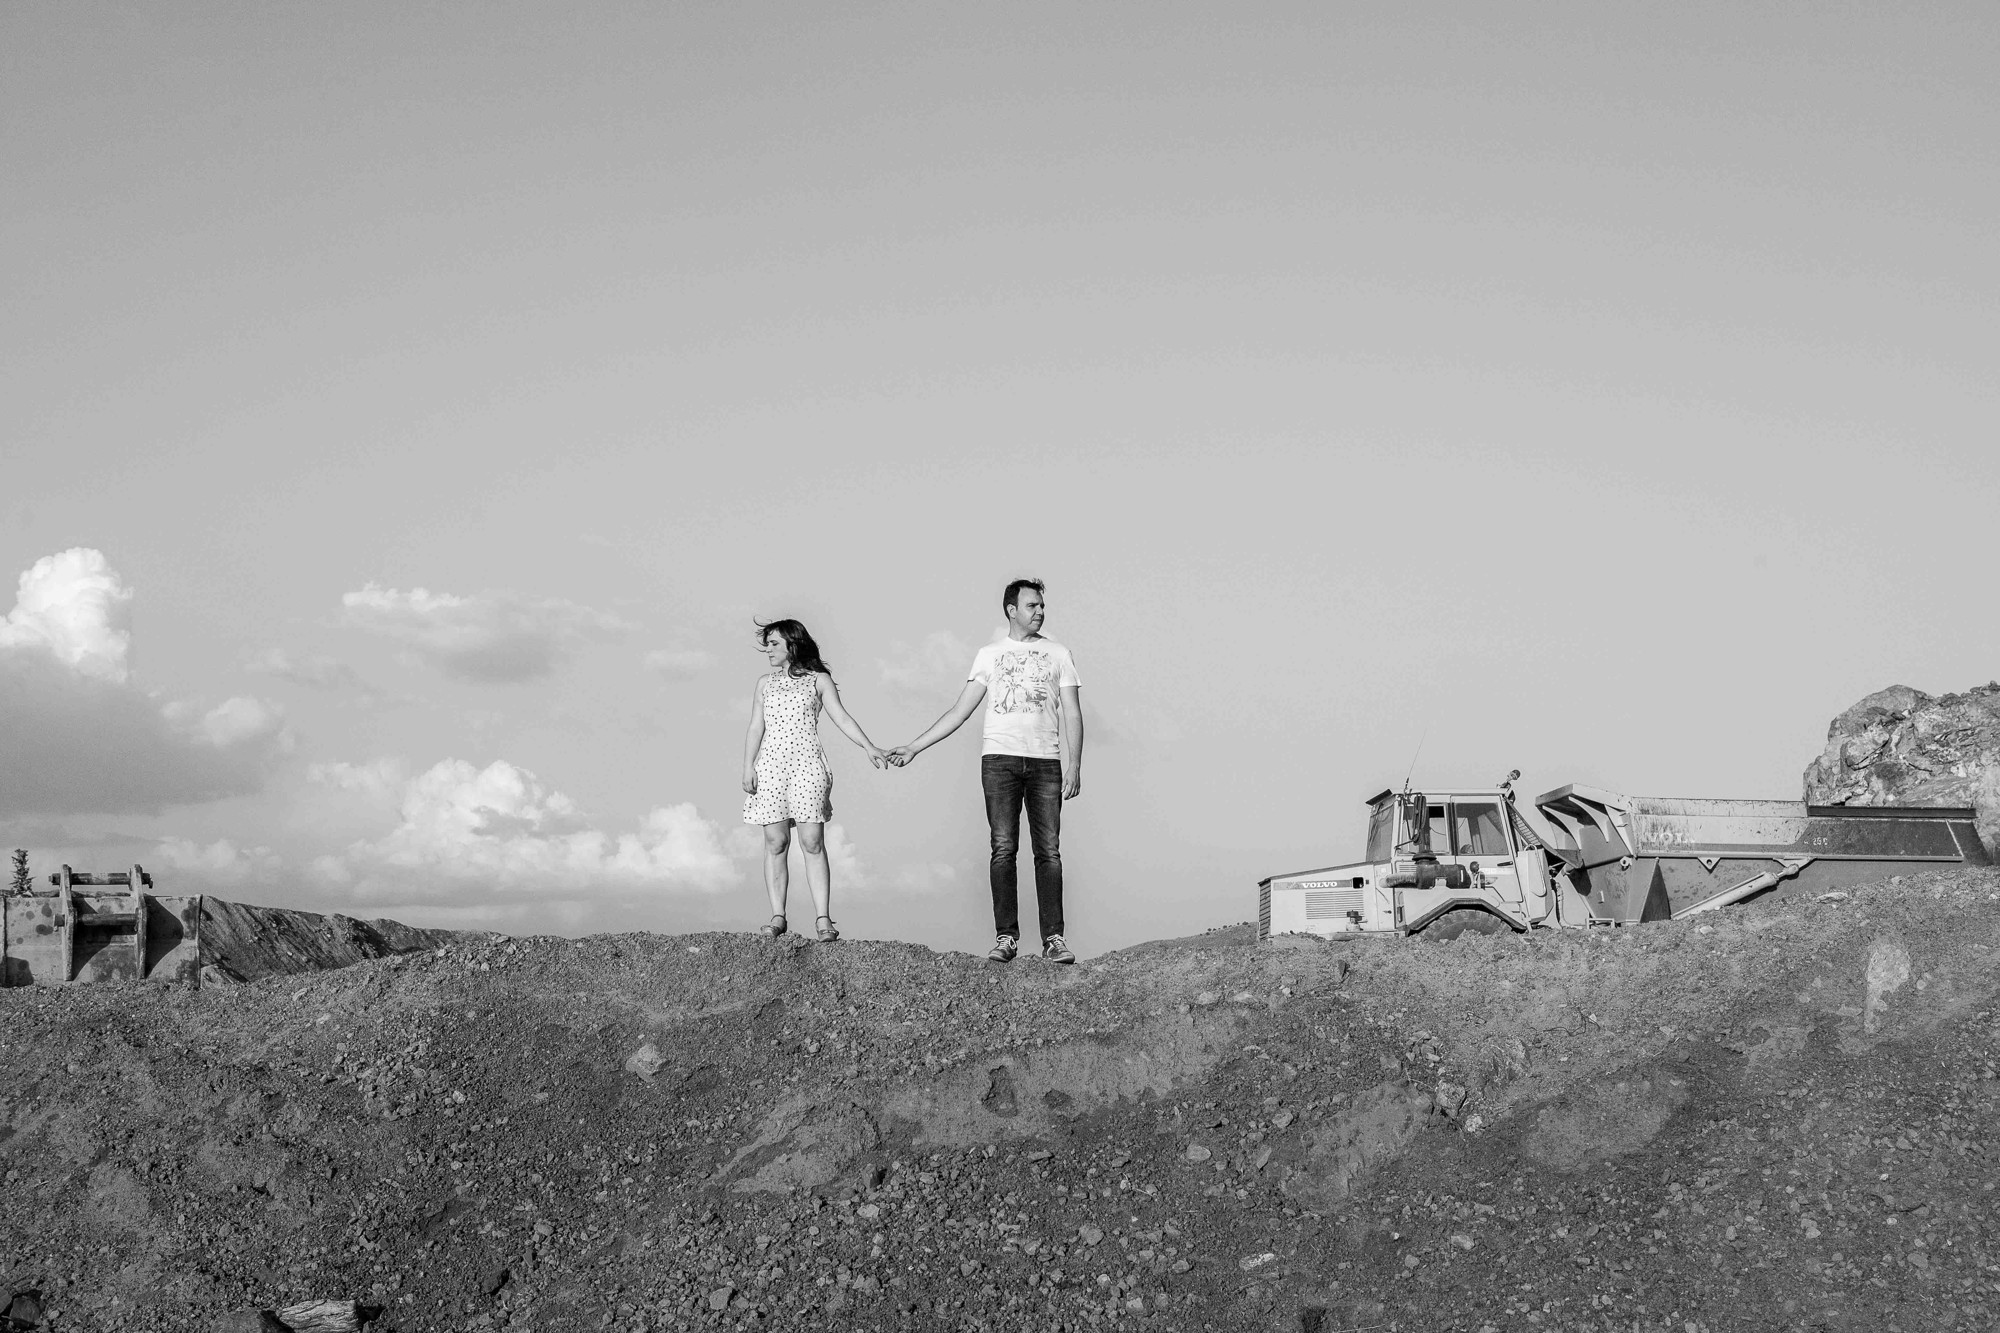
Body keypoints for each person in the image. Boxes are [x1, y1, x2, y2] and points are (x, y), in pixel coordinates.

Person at [889, 579, 1083, 964]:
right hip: (999, 761)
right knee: (1003, 849)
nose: (1040, 611)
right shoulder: (989, 654)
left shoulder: (1058, 653)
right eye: (1032, 606)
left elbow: (1073, 711)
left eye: (1042, 605)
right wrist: (914, 746)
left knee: (1049, 852)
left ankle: (1054, 939)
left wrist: (1074, 764)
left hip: (1046, 761)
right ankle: (1006, 936)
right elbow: (960, 710)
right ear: (1011, 609)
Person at [742, 619, 887, 942]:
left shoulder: (819, 680)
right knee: (776, 843)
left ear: (793, 644)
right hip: (770, 767)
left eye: (775, 643)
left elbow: (841, 717)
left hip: (807, 765)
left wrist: (868, 746)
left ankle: (823, 918)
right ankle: (778, 915)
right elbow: (755, 726)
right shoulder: (764, 683)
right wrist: (747, 766)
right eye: (767, 643)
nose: (769, 649)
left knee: (812, 842)